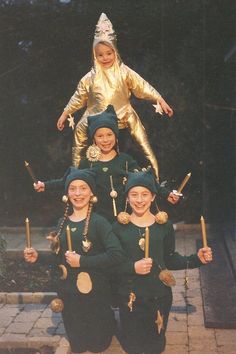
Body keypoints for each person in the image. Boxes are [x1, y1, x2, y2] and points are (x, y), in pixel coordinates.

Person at [56, 13, 173, 181]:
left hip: (123, 113)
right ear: (94, 55)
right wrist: (65, 113)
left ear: (115, 52)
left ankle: (154, 176)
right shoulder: (89, 78)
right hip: (95, 115)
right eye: (100, 55)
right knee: (79, 134)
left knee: (143, 141)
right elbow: (78, 97)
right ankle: (76, 177)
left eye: (109, 53)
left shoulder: (124, 72)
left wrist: (159, 99)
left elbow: (142, 86)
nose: (105, 58)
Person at [24, 168, 125, 354]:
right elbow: (59, 257)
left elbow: (117, 255)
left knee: (98, 346)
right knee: (78, 346)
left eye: (83, 188)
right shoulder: (62, 223)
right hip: (69, 294)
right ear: (67, 193)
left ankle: (109, 322)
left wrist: (83, 262)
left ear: (91, 192)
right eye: (72, 188)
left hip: (95, 294)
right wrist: (38, 257)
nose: (78, 193)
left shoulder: (99, 222)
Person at [112, 169, 213, 354]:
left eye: (145, 194)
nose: (139, 200)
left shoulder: (163, 226)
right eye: (134, 194)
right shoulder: (118, 228)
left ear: (153, 197)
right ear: (127, 198)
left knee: (155, 344)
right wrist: (133, 267)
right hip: (130, 297)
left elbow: (170, 259)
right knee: (133, 345)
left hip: (158, 296)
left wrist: (196, 259)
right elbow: (113, 264)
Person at [35, 105, 179, 223]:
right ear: (94, 139)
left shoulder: (126, 161)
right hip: (96, 221)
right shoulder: (87, 163)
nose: (105, 140)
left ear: (116, 137)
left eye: (109, 135)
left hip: (122, 220)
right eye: (100, 136)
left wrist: (167, 194)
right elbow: (68, 181)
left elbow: (146, 180)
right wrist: (45, 185)